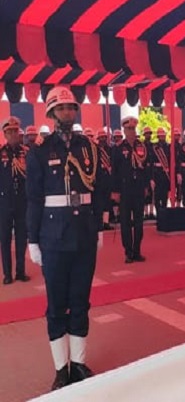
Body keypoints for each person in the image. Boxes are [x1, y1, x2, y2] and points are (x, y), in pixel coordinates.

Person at [26, 86, 106, 389]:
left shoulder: (89, 148)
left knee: (81, 301)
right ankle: (61, 369)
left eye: (71, 107)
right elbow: (34, 199)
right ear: (51, 113)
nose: (67, 112)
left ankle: (79, 364)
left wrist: (99, 227)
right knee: (57, 304)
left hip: (84, 233)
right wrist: (33, 240)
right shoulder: (39, 151)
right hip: (53, 237)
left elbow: (98, 190)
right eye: (61, 108)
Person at [111, 117, 149, 263]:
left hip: (138, 188)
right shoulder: (119, 148)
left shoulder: (141, 146)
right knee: (125, 222)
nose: (131, 132)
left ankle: (137, 250)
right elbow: (114, 171)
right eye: (129, 129)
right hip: (124, 189)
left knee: (139, 222)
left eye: (133, 129)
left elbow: (146, 168)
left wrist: (145, 186)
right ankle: (128, 252)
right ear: (124, 130)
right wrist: (115, 191)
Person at [1, 117, 31, 285]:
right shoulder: (1, 153)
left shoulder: (26, 152)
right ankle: (7, 273)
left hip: (22, 200)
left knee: (21, 236)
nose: (13, 134)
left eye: (15, 131)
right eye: (9, 132)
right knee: (5, 238)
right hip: (4, 201)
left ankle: (20, 271)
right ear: (5, 134)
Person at [151, 128, 171, 213]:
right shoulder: (154, 147)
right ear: (158, 136)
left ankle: (164, 213)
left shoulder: (168, 146)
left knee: (164, 195)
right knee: (157, 196)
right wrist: (152, 178)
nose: (162, 137)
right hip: (157, 173)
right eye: (160, 136)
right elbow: (151, 162)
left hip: (165, 173)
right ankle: (158, 213)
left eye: (163, 135)